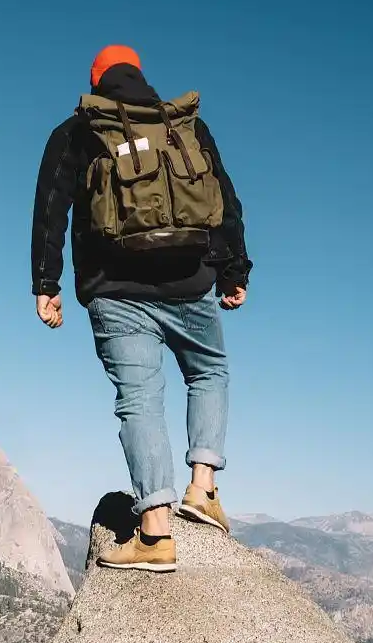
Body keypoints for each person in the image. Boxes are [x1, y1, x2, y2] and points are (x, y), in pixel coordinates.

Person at [29, 45, 253, 573]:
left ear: (96, 80)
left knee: (140, 398)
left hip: (115, 289)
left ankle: (155, 533)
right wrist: (234, 270)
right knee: (208, 371)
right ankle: (203, 489)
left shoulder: (80, 128)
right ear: (140, 76)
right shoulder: (181, 125)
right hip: (189, 284)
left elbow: (49, 208)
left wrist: (46, 283)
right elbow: (224, 198)